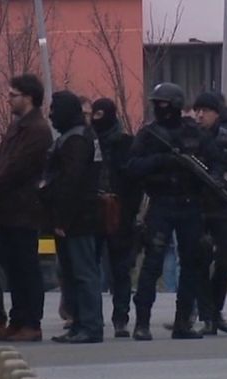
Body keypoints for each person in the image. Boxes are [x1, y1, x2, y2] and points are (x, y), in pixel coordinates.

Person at [127, 82, 218, 341]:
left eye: (164, 104)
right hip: (162, 203)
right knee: (152, 263)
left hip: (190, 205)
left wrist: (211, 179)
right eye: (157, 104)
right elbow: (132, 167)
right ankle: (142, 323)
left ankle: (183, 322)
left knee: (192, 262)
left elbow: (214, 162)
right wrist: (162, 161)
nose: (160, 108)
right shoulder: (149, 135)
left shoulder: (194, 133)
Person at [0, 74, 52, 341]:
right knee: (13, 267)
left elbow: (19, 167)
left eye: (14, 95)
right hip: (6, 210)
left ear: (29, 98)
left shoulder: (37, 130)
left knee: (26, 268)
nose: (9, 100)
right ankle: (18, 319)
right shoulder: (16, 127)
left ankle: (31, 322)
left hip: (23, 208)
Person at [42, 90, 103, 344]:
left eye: (55, 109)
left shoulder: (76, 139)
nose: (51, 114)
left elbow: (71, 182)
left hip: (78, 217)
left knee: (83, 272)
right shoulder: (75, 135)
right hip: (76, 215)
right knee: (72, 271)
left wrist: (62, 219)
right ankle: (79, 323)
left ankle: (89, 325)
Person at [90, 98, 142, 337]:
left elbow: (134, 181)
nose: (94, 118)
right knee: (90, 267)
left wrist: (129, 212)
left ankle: (120, 317)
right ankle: (92, 317)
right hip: (93, 210)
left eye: (99, 113)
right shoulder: (88, 142)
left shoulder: (125, 144)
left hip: (119, 212)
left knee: (120, 269)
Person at [192, 91, 227, 334]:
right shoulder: (191, 139)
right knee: (199, 260)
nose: (199, 115)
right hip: (196, 206)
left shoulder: (226, 139)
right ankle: (206, 314)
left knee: (225, 261)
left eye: (204, 110)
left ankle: (215, 310)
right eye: (197, 110)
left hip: (223, 207)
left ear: (217, 113)